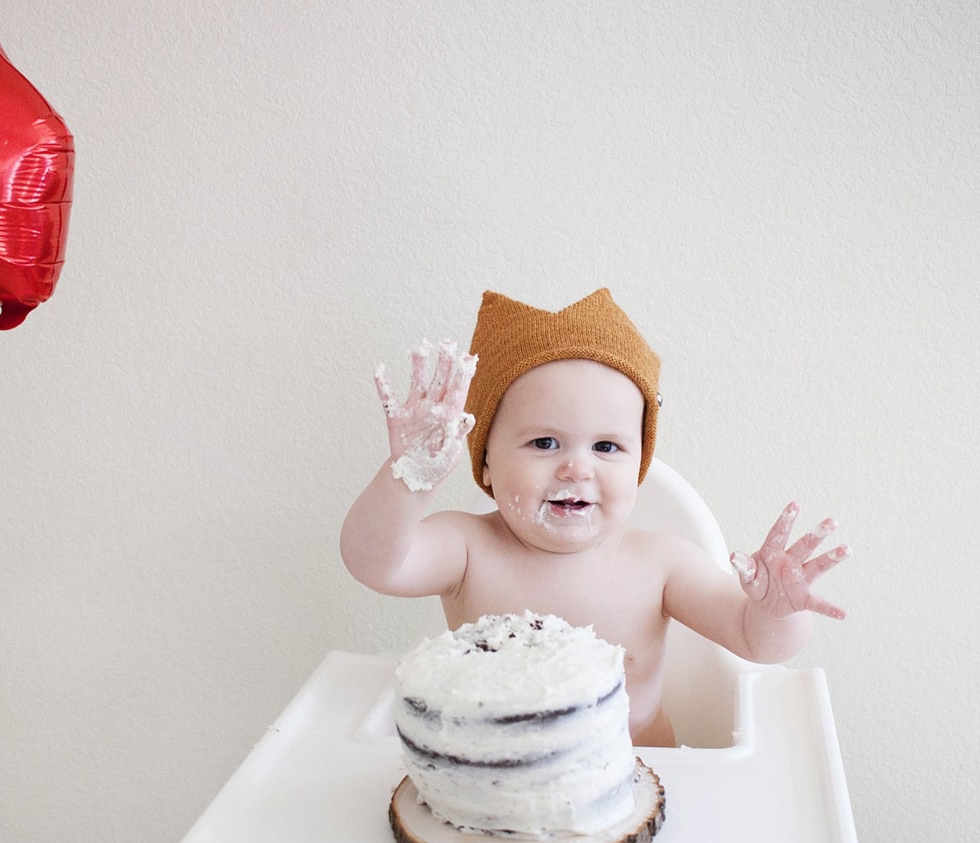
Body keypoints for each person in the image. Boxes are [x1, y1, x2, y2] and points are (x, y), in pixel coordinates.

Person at [340, 288, 849, 747]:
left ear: (639, 467)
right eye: (544, 442)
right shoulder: (467, 547)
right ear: (487, 462)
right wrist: (408, 477)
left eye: (606, 446)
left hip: (639, 782)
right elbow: (375, 564)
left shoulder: (662, 564)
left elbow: (754, 640)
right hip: (493, 786)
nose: (576, 467)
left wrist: (777, 611)